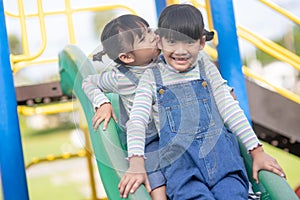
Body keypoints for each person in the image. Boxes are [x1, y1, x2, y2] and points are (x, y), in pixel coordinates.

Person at [119, 4, 285, 199]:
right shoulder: (151, 78)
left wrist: (257, 151)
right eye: (172, 42)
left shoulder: (205, 67)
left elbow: (229, 107)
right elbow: (137, 120)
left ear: (201, 43)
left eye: (189, 42)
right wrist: (136, 162)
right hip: (182, 172)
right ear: (160, 42)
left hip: (225, 165)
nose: (181, 51)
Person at [82, 14, 167, 200]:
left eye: (150, 30)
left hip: (172, 131)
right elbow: (88, 82)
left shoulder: (165, 62)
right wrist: (102, 102)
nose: (153, 36)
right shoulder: (119, 78)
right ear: (127, 57)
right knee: (152, 164)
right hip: (147, 138)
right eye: (144, 37)